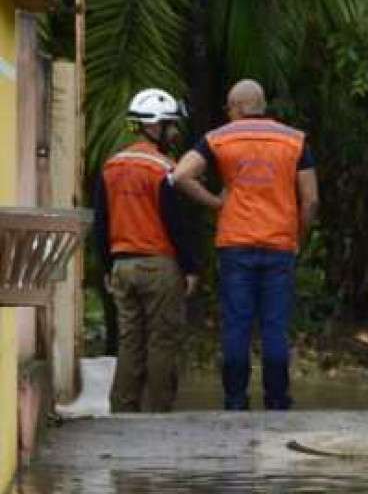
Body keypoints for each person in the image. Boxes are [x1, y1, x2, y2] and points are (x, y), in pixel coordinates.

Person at [170, 79, 317, 412]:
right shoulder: (295, 140)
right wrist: (298, 235)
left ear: (236, 107)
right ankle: (277, 402)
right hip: (280, 245)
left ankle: (235, 402)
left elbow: (180, 176)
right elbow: (311, 201)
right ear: (261, 105)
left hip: (235, 245)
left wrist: (216, 203)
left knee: (237, 325)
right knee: (275, 328)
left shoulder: (219, 138)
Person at [91, 88, 200, 413]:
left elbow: (101, 223)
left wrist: (107, 268)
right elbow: (175, 224)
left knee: (129, 343)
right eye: (170, 125)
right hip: (159, 267)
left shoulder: (111, 166)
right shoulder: (164, 169)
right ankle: (159, 415)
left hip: (122, 268)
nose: (175, 132)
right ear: (154, 127)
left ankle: (122, 413)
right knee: (161, 341)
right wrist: (191, 266)